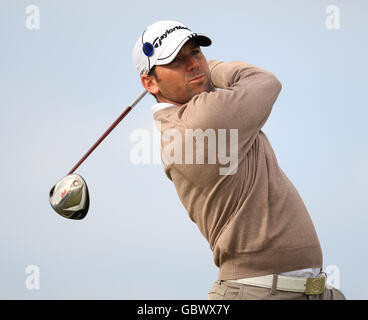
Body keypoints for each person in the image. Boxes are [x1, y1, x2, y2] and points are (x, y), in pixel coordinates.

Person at [132, 20, 346, 300]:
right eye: (176, 60)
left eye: (195, 52)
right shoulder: (202, 119)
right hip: (258, 293)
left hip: (309, 290)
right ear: (149, 82)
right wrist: (213, 69)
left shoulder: (199, 115)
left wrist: (199, 73)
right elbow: (265, 82)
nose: (193, 64)